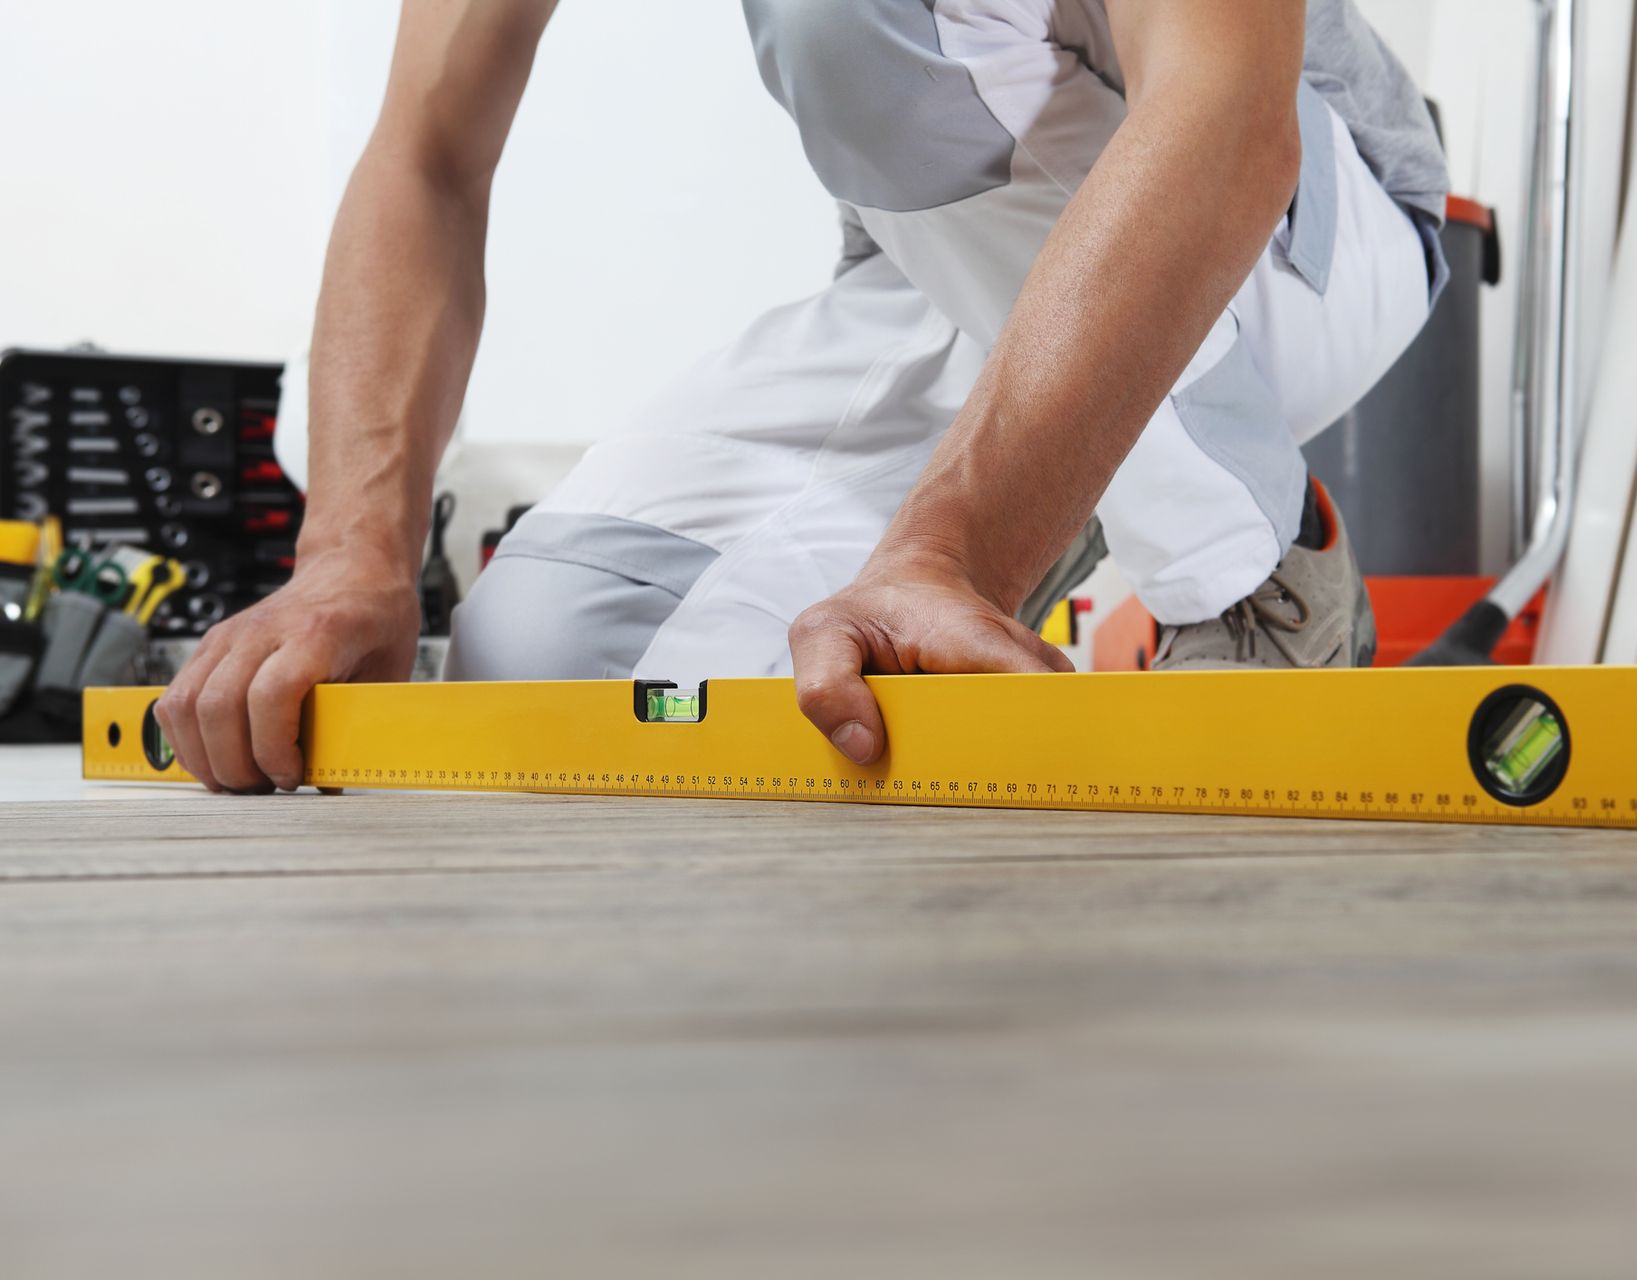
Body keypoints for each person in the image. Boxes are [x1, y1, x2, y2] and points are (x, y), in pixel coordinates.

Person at [155, 0, 1447, 794]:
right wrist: (350, 559)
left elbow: (1227, 115)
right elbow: (427, 155)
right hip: (951, 274)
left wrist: (953, 551)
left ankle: (1246, 569)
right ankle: (1060, 499)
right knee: (553, 657)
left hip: (1294, 237)